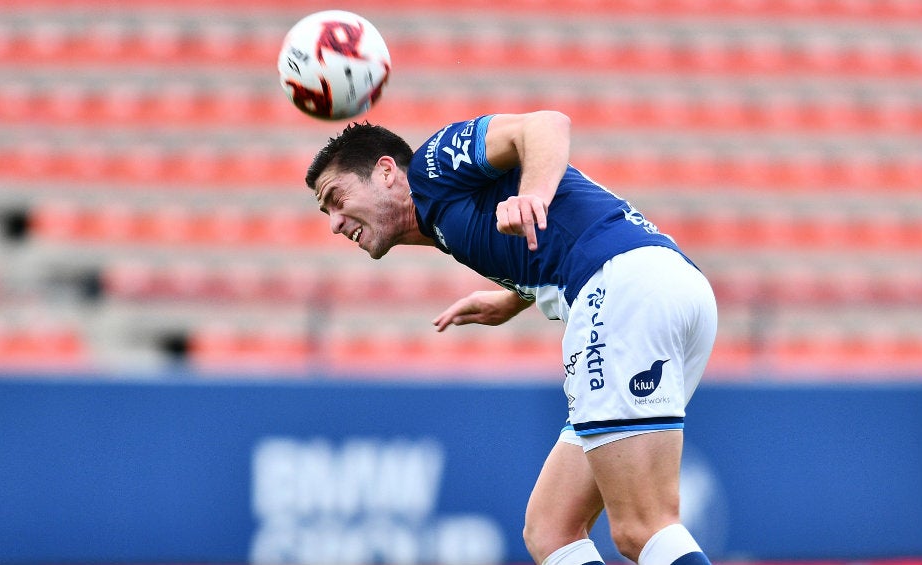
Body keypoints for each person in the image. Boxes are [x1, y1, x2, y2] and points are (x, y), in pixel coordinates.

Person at [304, 111, 718, 565]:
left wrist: (533, 196)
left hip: (623, 289)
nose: (335, 223)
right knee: (551, 528)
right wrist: (515, 297)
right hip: (666, 286)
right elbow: (555, 239)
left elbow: (545, 126)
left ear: (386, 171)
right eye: (327, 212)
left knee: (642, 528)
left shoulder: (432, 167)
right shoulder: (445, 222)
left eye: (336, 198)